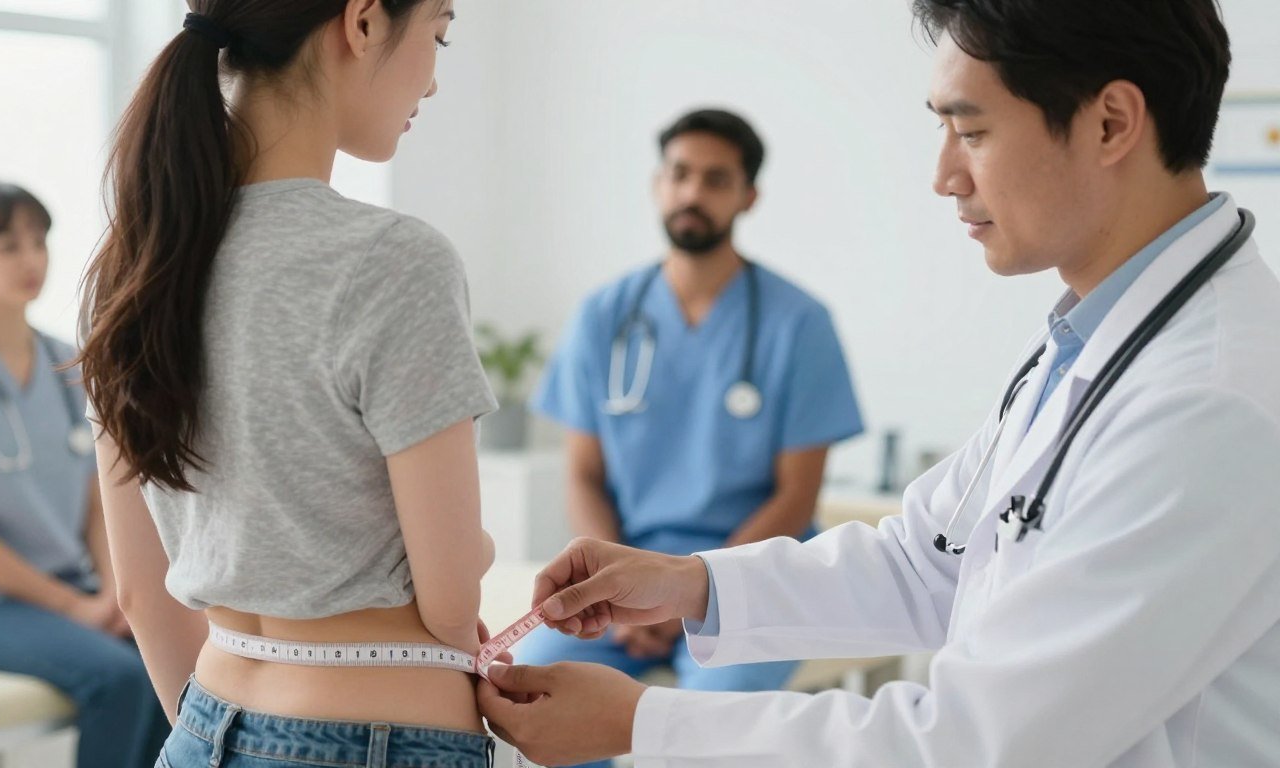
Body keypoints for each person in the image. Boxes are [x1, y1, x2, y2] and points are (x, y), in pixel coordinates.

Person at [477, 1, 1280, 765]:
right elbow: (923, 561)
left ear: (1111, 123)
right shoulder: (1084, 341)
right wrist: (686, 581)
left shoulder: (1207, 405)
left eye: (970, 130)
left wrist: (639, 723)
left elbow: (976, 745)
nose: (944, 176)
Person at [77, 2, 504, 767]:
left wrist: (221, 736)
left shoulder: (135, 264)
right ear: (365, 21)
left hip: (203, 725)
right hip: (375, 738)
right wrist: (478, 546)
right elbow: (449, 606)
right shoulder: (393, 260)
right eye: (436, 35)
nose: (434, 82)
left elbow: (141, 592)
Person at [517, 110, 863, 761]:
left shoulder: (800, 324)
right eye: (679, 174)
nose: (692, 193)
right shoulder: (604, 315)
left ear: (747, 196)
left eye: (715, 179)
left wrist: (685, 592)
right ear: (658, 184)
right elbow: (583, 475)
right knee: (530, 697)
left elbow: (797, 496)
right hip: (622, 570)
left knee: (710, 735)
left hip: (751, 580)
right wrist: (621, 590)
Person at [0, 181, 171, 768]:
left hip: (69, 586)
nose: (31, 259)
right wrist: (75, 608)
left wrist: (116, 590)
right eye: (8, 245)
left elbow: (99, 503)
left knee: (172, 663)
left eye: (39, 242)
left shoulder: (69, 365)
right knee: (119, 680)